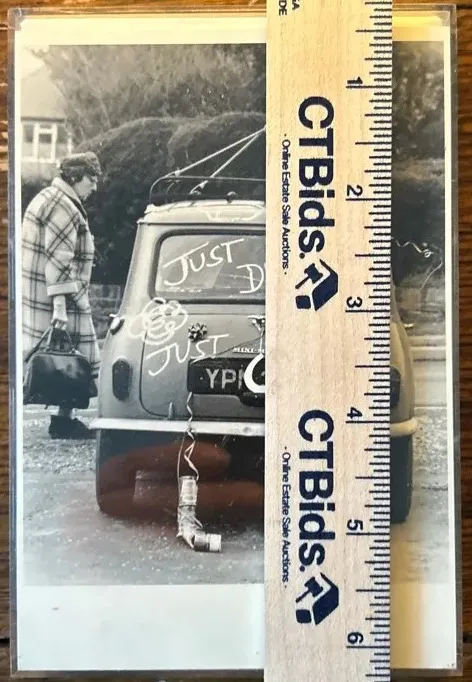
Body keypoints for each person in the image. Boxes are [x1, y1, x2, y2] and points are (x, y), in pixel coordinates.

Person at [22, 151, 102, 439]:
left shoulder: (48, 197)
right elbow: (59, 259)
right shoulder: (64, 206)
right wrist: (60, 306)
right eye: (92, 179)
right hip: (60, 296)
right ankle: (63, 420)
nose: (95, 186)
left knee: (54, 357)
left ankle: (63, 418)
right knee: (75, 357)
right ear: (76, 176)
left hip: (40, 292)